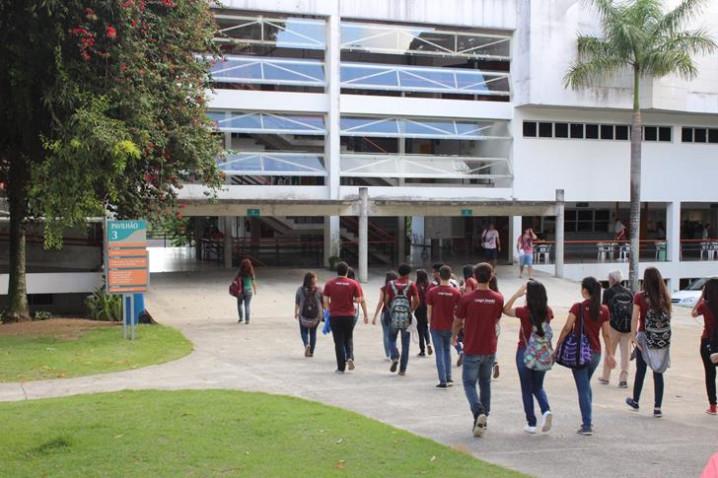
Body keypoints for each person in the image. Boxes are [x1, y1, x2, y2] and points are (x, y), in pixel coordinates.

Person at [556, 276, 615, 436]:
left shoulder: (578, 307)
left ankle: (587, 424)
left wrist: (558, 345)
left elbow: (568, 327)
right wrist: (610, 354)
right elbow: (607, 334)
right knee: (586, 385)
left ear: (584, 291)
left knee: (582, 388)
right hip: (595, 353)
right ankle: (587, 419)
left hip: (579, 352)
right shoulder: (603, 310)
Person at [453, 262, 504, 437]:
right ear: (491, 277)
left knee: (468, 383)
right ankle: (484, 417)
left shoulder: (467, 298)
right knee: (485, 383)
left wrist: (454, 336)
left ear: (475, 277)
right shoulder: (498, 298)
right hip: (489, 347)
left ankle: (478, 411)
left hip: (472, 346)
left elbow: (458, 320)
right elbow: (497, 319)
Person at [503, 280, 553, 434]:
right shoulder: (548, 311)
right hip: (542, 352)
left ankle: (531, 423)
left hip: (525, 351)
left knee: (526, 388)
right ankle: (545, 410)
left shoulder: (524, 312)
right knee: (538, 386)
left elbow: (505, 309)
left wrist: (517, 294)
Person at [626, 267, 671, 417]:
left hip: (644, 336)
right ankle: (657, 408)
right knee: (658, 372)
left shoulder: (639, 297)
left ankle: (636, 400)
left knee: (641, 370)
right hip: (660, 339)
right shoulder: (664, 296)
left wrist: (633, 337)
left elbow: (634, 318)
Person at [323, 262, 367, 373]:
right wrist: (350, 300)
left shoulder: (329, 284)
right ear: (347, 271)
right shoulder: (353, 284)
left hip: (335, 316)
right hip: (349, 316)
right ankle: (350, 357)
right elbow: (359, 299)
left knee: (338, 342)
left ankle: (341, 367)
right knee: (348, 338)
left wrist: (329, 310)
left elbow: (325, 300)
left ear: (336, 271)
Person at [427, 265, 461, 388]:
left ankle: (442, 380)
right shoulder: (456, 292)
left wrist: (429, 324)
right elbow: (459, 312)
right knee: (447, 351)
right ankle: (449, 377)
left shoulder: (432, 292)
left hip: (436, 325)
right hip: (450, 325)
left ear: (439, 276)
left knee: (439, 353)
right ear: (450, 275)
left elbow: (429, 311)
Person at [598, 270, 633, 388]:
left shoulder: (608, 292)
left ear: (612, 280)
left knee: (609, 351)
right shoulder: (629, 293)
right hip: (627, 328)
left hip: (613, 326)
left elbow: (604, 309)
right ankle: (623, 380)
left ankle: (606, 377)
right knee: (625, 354)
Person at [384, 263, 420, 375]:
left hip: (394, 316)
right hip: (406, 317)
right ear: (408, 273)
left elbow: (386, 301)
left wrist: (391, 310)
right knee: (405, 344)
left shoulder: (391, 284)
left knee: (391, 339)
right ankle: (402, 370)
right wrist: (411, 310)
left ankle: (394, 356)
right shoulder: (411, 284)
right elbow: (417, 300)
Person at [691, 278, 718, 415]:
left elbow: (693, 313)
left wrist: (702, 296)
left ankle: (713, 406)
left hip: (707, 341)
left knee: (710, 374)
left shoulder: (705, 305)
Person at [294, 272, 323, 357]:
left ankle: (306, 344)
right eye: (316, 278)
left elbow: (297, 303)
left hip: (303, 316)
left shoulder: (300, 290)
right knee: (313, 333)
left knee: (304, 331)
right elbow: (323, 303)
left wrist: (295, 312)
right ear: (313, 280)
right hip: (316, 316)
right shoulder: (319, 290)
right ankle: (311, 352)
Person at [371, 271, 398, 360]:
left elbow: (380, 302)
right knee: (393, 334)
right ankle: (393, 351)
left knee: (386, 334)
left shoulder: (384, 288)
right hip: (396, 314)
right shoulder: (398, 288)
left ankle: (388, 354)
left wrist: (375, 316)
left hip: (385, 313)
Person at [345, 268, 368, 363]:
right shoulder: (357, 284)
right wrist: (365, 315)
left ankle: (347, 354)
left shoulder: (342, 283)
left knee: (343, 335)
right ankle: (349, 355)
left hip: (343, 312)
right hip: (354, 313)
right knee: (348, 334)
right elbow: (362, 300)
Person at [415, 269, 433, 357]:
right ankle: (428, 343)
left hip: (419, 309)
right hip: (426, 308)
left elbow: (415, 299)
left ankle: (422, 350)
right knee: (425, 327)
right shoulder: (428, 285)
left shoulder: (416, 286)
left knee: (420, 329)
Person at [235, 259, 257, 324]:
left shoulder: (240, 272)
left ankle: (240, 318)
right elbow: (253, 282)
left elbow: (235, 280)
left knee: (239, 304)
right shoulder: (251, 272)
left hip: (240, 290)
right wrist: (255, 290)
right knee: (247, 305)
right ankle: (247, 320)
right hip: (249, 290)